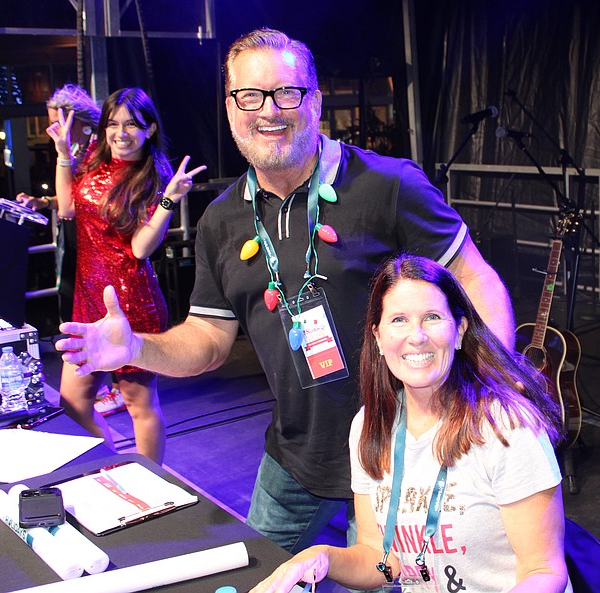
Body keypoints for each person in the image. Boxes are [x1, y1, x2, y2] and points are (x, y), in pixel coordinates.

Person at [55, 28, 513, 551]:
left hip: (401, 450)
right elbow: (207, 338)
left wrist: (496, 388)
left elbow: (473, 277)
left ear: (315, 102)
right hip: (296, 455)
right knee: (260, 576)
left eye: (286, 93)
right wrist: (137, 346)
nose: (268, 110)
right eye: (249, 96)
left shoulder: (389, 186)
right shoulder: (221, 220)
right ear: (230, 110)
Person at [250, 254, 568, 593]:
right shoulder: (370, 427)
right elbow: (386, 564)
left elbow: (544, 571)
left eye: (431, 317)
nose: (416, 337)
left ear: (459, 331)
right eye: (399, 320)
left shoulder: (506, 426)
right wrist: (321, 557)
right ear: (378, 337)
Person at [50, 87, 206, 464]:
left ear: (150, 129)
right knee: (72, 404)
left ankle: (149, 478)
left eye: (132, 125)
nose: (120, 133)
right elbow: (68, 209)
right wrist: (62, 157)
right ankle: (115, 464)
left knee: (139, 404)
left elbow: (139, 248)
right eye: (113, 124)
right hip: (88, 298)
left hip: (130, 299)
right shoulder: (91, 159)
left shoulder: (153, 175)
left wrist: (169, 200)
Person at [17, 84, 126, 416]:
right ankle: (104, 385)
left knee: (106, 320)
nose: (51, 130)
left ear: (76, 120)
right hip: (81, 250)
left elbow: (73, 207)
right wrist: (41, 201)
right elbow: (68, 201)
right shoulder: (79, 151)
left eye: (56, 122)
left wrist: (64, 156)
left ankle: (117, 387)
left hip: (100, 253)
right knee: (85, 320)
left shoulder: (97, 153)